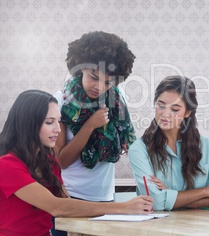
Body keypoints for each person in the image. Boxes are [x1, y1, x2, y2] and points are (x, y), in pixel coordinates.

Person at [0, 90, 153, 235]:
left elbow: (66, 201)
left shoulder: (49, 160)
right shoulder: (7, 165)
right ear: (28, 124)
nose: (58, 129)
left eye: (58, 121)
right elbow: (56, 206)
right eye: (49, 122)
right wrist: (124, 207)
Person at [129, 76, 209, 211]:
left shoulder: (205, 145)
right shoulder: (139, 149)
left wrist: (171, 195)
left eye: (175, 109)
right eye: (161, 105)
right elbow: (156, 203)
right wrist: (205, 191)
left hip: (200, 228)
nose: (165, 114)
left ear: (188, 112)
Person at [54, 31, 136, 202]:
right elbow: (61, 162)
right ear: (82, 67)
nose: (99, 87)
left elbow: (130, 144)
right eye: (94, 78)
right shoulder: (62, 101)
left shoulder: (118, 98)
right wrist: (90, 126)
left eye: (108, 83)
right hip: (69, 196)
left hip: (105, 198)